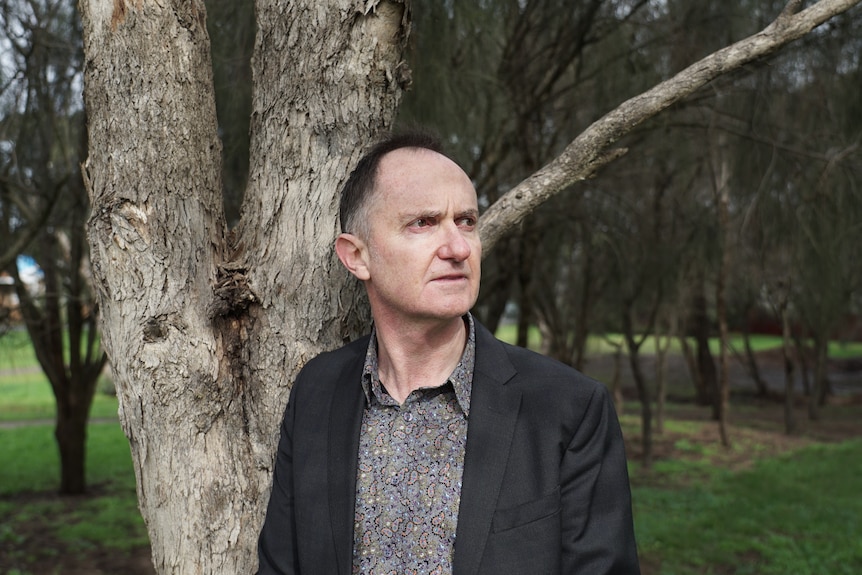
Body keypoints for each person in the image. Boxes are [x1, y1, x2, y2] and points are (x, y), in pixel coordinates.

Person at [256, 130, 641, 575]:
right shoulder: (316, 393)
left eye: (467, 222)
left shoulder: (568, 408)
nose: (458, 248)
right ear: (356, 256)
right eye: (422, 222)